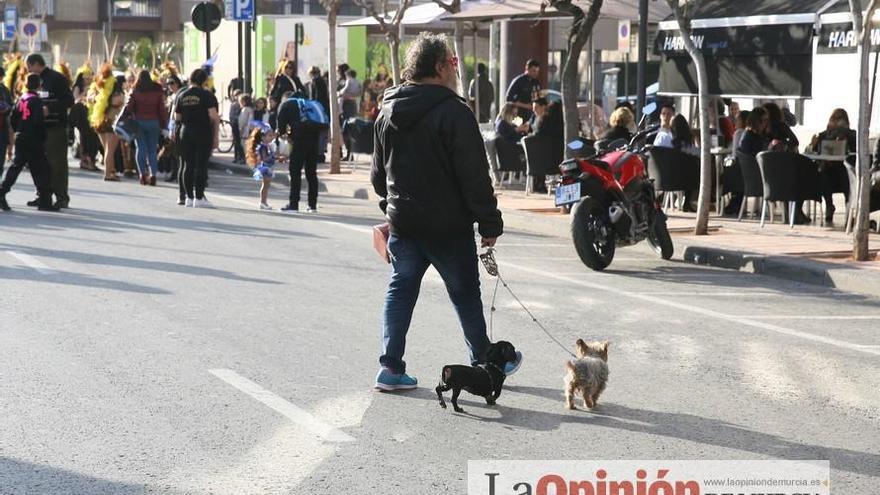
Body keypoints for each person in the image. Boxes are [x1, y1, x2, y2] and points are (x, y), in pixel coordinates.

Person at [371, 32, 519, 391]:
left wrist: (390, 207)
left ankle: (390, 368)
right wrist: (489, 221)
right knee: (465, 293)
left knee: (400, 290)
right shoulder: (454, 112)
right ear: (438, 67)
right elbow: (474, 176)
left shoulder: (387, 112)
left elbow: (378, 178)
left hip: (404, 223)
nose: (456, 68)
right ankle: (483, 361)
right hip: (448, 226)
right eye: (453, 62)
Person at [0, 74, 58, 212]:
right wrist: (42, 137)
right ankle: (45, 200)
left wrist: (18, 130)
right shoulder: (36, 101)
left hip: (21, 136)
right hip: (33, 138)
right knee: (42, 169)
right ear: (38, 85)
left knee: (16, 166)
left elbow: (13, 118)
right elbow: (38, 121)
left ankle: (2, 191)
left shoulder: (21, 99)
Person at [25, 53, 73, 208]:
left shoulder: (57, 79)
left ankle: (61, 197)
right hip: (39, 128)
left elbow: (69, 101)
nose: (28, 70)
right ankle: (43, 195)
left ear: (37, 64)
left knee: (56, 163)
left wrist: (49, 107)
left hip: (55, 128)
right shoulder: (35, 81)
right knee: (40, 164)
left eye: (29, 67)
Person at [173, 68, 220, 208]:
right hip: (202, 131)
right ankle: (199, 197)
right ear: (204, 81)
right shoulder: (206, 95)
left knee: (187, 165)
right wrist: (215, 135)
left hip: (185, 131)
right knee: (201, 165)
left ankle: (188, 197)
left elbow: (177, 117)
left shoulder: (182, 95)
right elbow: (213, 116)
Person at [277, 92, 322, 212]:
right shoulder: (310, 104)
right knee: (311, 173)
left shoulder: (287, 104)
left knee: (295, 172)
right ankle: (312, 205)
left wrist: (285, 135)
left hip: (298, 141)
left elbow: (280, 124)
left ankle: (294, 204)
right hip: (314, 142)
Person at [809, 108, 857, 223]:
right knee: (823, 175)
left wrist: (844, 134)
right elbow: (814, 151)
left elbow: (855, 150)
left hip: (844, 170)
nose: (837, 122)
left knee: (845, 176)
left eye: (840, 119)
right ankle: (829, 206)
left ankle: (848, 208)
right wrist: (814, 144)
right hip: (828, 170)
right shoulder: (824, 134)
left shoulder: (851, 134)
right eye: (834, 119)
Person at [124, 70, 168, 186]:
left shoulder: (135, 90)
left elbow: (128, 107)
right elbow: (162, 110)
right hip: (154, 122)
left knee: (141, 148)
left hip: (139, 122)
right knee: (153, 150)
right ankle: (153, 174)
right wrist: (164, 125)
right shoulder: (157, 91)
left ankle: (142, 174)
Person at [88, 64, 124, 182]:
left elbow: (90, 99)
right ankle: (108, 173)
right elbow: (119, 101)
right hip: (111, 119)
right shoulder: (115, 88)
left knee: (106, 148)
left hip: (99, 119)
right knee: (110, 149)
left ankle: (111, 171)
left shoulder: (99, 86)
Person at [530, 101, 564, 193]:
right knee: (577, 146)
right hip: (561, 161)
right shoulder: (565, 126)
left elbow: (536, 136)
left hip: (543, 162)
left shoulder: (542, 122)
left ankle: (539, 185)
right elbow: (573, 144)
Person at [245, 123, 277, 210]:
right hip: (265, 168)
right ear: (263, 137)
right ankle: (263, 202)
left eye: (271, 135)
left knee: (266, 186)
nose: (271, 137)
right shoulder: (263, 147)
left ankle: (264, 202)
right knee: (265, 186)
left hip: (268, 167)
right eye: (269, 136)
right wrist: (272, 155)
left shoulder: (268, 146)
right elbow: (265, 158)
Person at [306, 66, 330, 163]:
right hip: (324, 109)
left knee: (318, 133)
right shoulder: (323, 81)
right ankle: (321, 153)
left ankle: (318, 154)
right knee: (323, 133)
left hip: (318, 109)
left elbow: (315, 96)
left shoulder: (315, 81)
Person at [0, 67, 13, 179]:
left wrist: (6, 109)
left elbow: (10, 106)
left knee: (0, 159)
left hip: (2, 128)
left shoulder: (5, 90)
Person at [229, 89, 245, 163]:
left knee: (239, 141)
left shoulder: (241, 105)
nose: (236, 97)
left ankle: (241, 157)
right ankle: (236, 157)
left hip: (239, 125)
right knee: (236, 141)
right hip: (234, 124)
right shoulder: (233, 104)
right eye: (235, 95)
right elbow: (231, 115)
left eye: (237, 95)